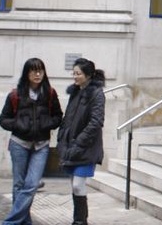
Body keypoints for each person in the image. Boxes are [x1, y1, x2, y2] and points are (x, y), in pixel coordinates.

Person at [0, 57, 64, 225]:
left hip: (41, 145)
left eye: (40, 70)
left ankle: (10, 222)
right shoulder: (15, 95)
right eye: (33, 70)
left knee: (32, 184)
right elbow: (3, 119)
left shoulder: (50, 93)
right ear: (26, 73)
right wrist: (18, 125)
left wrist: (46, 124)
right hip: (19, 144)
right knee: (19, 185)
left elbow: (58, 116)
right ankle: (24, 221)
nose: (37, 74)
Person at [56, 58, 106, 225]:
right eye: (74, 73)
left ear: (88, 75)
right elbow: (67, 118)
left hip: (86, 148)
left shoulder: (97, 94)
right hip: (70, 147)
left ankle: (80, 221)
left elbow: (96, 122)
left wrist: (79, 142)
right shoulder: (75, 92)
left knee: (78, 185)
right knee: (74, 185)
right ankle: (78, 220)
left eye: (78, 74)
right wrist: (62, 137)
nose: (75, 77)